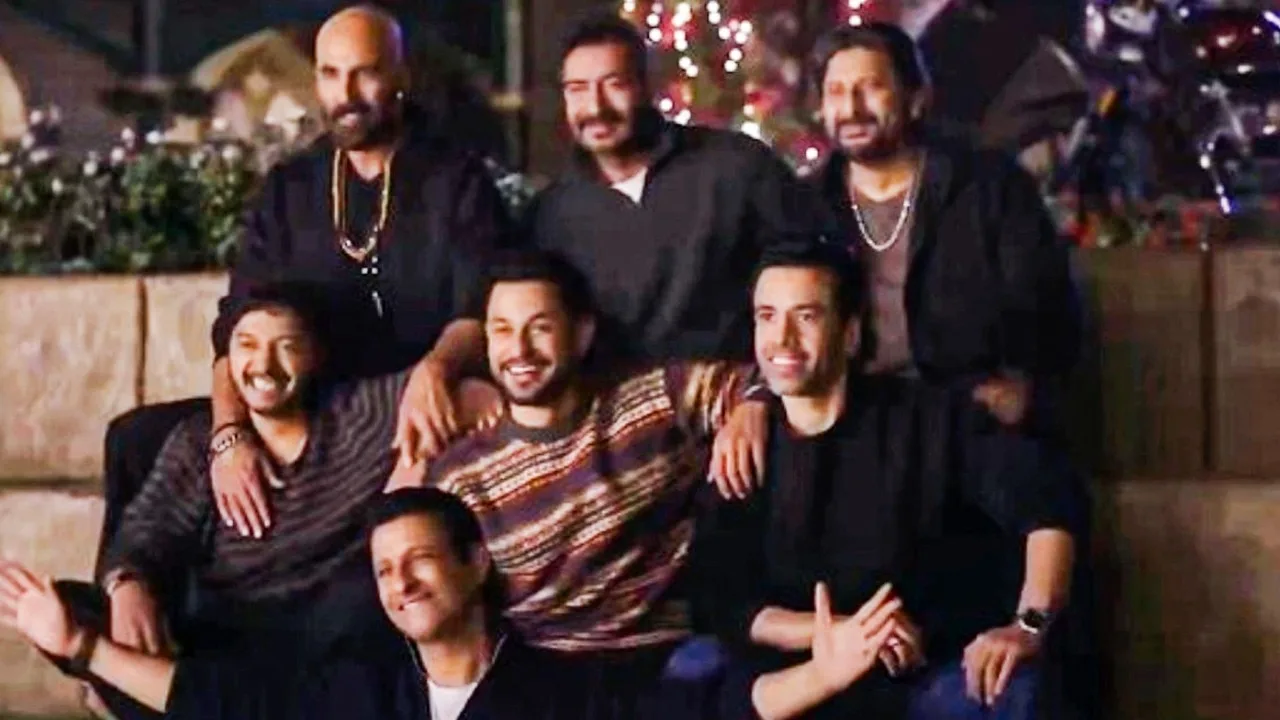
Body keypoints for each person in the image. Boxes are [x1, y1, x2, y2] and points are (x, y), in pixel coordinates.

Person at [100, 4, 511, 561]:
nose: (347, 94)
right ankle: (120, 599)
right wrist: (229, 434)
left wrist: (438, 369)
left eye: (365, 73)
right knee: (134, 439)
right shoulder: (291, 186)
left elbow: (482, 301)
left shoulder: (454, 178)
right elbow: (236, 323)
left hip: (398, 408)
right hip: (302, 404)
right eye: (331, 74)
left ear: (400, 76)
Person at [0, 488, 907, 720]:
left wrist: (822, 676)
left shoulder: (564, 690)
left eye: (420, 561)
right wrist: (83, 647)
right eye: (384, 570)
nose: (399, 582)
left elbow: (709, 713)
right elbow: (216, 700)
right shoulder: (354, 687)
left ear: (477, 565)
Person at [692, 242, 1087, 719]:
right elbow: (726, 600)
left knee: (1012, 689)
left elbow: (1048, 500)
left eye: (807, 316)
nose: (782, 339)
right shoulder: (742, 446)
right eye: (767, 316)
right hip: (800, 672)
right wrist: (842, 633)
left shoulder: (929, 419)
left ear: (850, 333)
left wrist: (1028, 625)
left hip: (927, 670)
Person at [87, 283, 491, 720]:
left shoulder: (360, 412)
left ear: (314, 356)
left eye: (286, 347)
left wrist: (421, 455)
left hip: (332, 643)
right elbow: (146, 530)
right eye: (247, 345)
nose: (263, 365)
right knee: (75, 614)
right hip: (226, 637)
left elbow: (469, 397)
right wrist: (127, 584)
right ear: (227, 360)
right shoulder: (198, 443)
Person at [424, 249, 756, 683]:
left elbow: (764, 377)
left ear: (581, 335)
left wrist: (751, 408)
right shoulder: (457, 477)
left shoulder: (650, 401)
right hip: (542, 678)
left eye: (540, 328)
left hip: (661, 658)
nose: (519, 349)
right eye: (502, 330)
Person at [806, 22, 1081, 429]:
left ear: (916, 99)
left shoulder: (989, 186)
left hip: (967, 409)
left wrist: (1021, 384)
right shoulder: (806, 203)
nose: (852, 108)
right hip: (851, 412)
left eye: (871, 88)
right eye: (836, 92)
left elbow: (1046, 305)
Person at [527, 12, 820, 365]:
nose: (595, 107)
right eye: (577, 89)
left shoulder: (737, 168)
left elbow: (813, 277)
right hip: (611, 398)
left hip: (737, 390)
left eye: (614, 85)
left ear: (646, 87)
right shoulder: (550, 215)